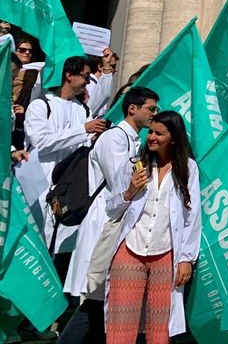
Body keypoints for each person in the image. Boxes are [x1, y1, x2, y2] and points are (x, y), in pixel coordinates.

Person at [59, 87, 160, 344]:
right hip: (105, 220)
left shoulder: (135, 141)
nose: (154, 114)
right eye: (151, 108)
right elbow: (121, 185)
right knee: (94, 298)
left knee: (105, 300)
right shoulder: (113, 139)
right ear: (132, 108)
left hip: (119, 219)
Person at [103, 110, 201, 344]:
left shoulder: (188, 168)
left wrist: (186, 257)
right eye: (151, 132)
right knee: (121, 323)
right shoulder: (136, 164)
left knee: (160, 327)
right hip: (130, 250)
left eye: (160, 133)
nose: (152, 137)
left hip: (166, 253)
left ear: (174, 138)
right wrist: (129, 192)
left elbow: (192, 216)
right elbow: (110, 208)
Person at [23, 55, 108, 251]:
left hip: (68, 185)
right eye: (85, 76)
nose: (87, 82)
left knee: (61, 244)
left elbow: (83, 147)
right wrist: (83, 130)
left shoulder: (83, 110)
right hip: (40, 181)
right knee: (35, 241)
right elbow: (41, 143)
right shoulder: (41, 105)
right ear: (69, 75)